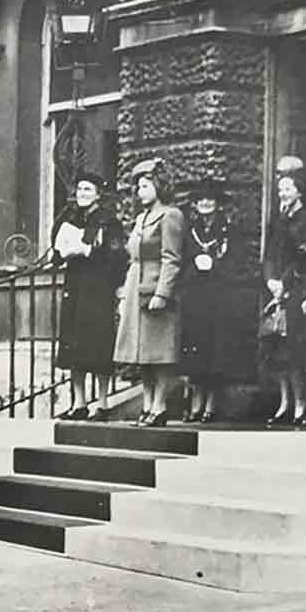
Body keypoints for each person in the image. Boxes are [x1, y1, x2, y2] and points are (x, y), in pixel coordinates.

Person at [113, 158, 185, 427]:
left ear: (158, 186)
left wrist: (162, 293)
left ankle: (160, 405)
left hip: (155, 289)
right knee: (139, 353)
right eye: (138, 187)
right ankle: (146, 404)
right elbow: (133, 257)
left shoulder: (170, 216)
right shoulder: (141, 218)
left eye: (145, 185)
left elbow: (172, 258)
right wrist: (124, 295)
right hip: (135, 288)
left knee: (160, 352)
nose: (139, 191)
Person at [50, 171, 127, 421]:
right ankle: (79, 402)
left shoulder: (108, 221)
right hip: (75, 285)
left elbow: (117, 257)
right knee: (74, 344)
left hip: (98, 288)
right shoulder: (71, 216)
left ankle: (102, 403)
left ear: (98, 194)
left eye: (88, 190)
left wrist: (90, 252)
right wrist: (61, 251)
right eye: (80, 189)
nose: (82, 194)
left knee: (97, 345)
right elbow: (57, 248)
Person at [261, 171, 306, 425]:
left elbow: (303, 257)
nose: (283, 194)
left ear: (299, 191)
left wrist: (283, 283)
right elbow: (270, 254)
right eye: (280, 190)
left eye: (287, 189)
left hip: (297, 287)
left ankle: (301, 404)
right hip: (276, 288)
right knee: (277, 350)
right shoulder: (278, 220)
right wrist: (270, 280)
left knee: (295, 348)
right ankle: (284, 402)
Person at [178, 180, 233, 422]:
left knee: (215, 348)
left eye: (210, 199)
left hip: (218, 294)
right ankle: (196, 400)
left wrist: (217, 267)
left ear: (218, 204)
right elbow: (180, 258)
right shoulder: (190, 228)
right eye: (200, 200)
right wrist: (194, 267)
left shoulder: (227, 228)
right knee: (194, 346)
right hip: (194, 294)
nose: (205, 203)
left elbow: (236, 261)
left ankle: (211, 402)